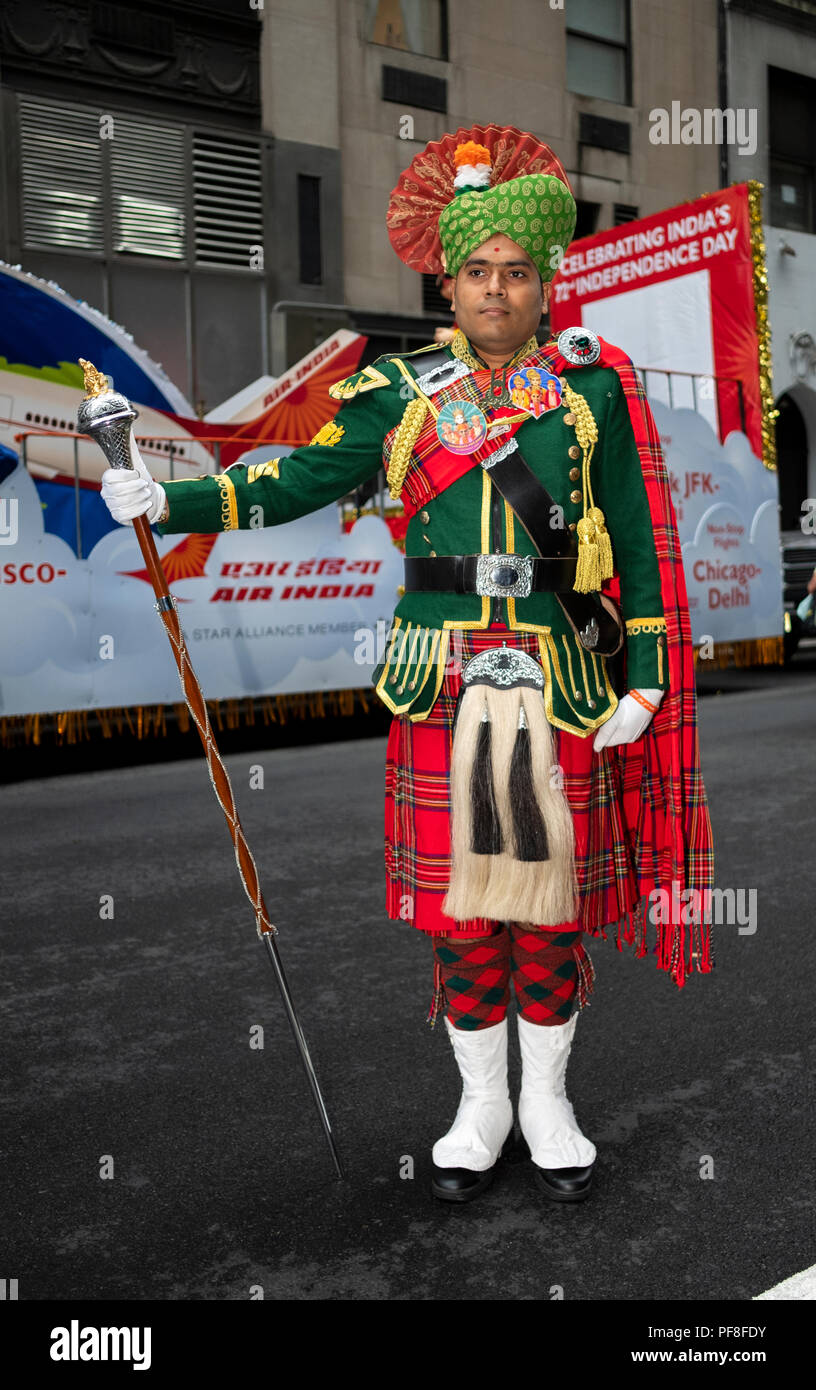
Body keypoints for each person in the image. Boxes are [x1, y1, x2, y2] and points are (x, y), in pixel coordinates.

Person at [98, 128, 713, 1206]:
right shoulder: (399, 392)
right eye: (477, 271)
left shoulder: (593, 387)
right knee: (461, 911)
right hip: (440, 676)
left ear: (543, 281)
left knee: (551, 905)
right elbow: (293, 483)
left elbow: (642, 536)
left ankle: (547, 1102)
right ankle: (481, 1104)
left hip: (564, 672)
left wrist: (648, 676)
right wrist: (172, 500)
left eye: (516, 272)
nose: (496, 290)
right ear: (450, 278)